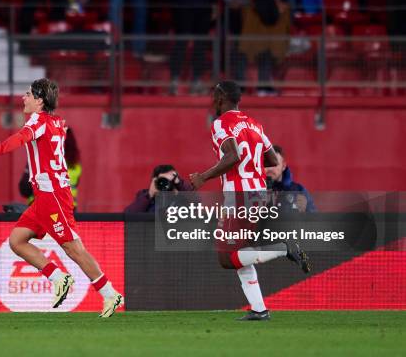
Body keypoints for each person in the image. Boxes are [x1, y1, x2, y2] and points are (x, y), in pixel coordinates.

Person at [0, 78, 124, 318]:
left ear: (39, 100)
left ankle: (109, 293)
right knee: (17, 241)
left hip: (52, 195)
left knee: (73, 248)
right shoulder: (57, 122)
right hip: (45, 196)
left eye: (27, 94)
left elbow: (21, 138)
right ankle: (59, 277)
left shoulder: (38, 121)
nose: (23, 98)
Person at [189, 80, 310, 321]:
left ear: (222, 98)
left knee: (226, 258)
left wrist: (203, 177)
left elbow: (233, 155)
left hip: (240, 194)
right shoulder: (255, 124)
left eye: (215, 95)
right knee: (238, 254)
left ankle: (283, 248)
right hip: (257, 193)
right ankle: (259, 309)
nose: (212, 100)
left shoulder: (221, 123)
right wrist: (252, 167)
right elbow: (273, 160)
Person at [265, 144, 316, 213]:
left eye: (274, 164)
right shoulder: (254, 191)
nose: (270, 168)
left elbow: (313, 219)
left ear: (283, 166)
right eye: (266, 164)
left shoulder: (298, 191)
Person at [124, 164, 195, 213]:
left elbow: (196, 203)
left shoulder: (182, 197)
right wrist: (150, 195)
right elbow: (129, 214)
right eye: (162, 180)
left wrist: (179, 184)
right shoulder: (145, 196)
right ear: (154, 181)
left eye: (171, 180)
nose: (167, 183)